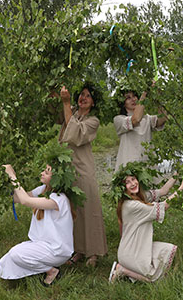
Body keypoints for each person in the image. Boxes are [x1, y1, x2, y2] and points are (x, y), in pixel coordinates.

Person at [108, 162, 183, 283]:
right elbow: (163, 206)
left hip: (136, 246)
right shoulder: (131, 205)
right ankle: (123, 269)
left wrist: (177, 174)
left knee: (167, 250)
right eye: (127, 182)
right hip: (130, 252)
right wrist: (182, 187)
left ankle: (128, 270)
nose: (132, 184)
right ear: (122, 188)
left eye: (133, 179)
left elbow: (163, 191)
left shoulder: (138, 196)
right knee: (154, 278)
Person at [0, 163, 75, 285]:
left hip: (57, 249)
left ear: (57, 179)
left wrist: (12, 176)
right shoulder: (43, 190)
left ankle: (51, 271)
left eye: (47, 172)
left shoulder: (59, 199)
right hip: (43, 245)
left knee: (15, 254)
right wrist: (4, 183)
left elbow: (25, 201)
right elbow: (18, 198)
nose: (42, 173)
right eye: (43, 170)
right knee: (6, 260)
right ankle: (42, 266)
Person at [58, 83, 107, 266]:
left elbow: (74, 135)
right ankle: (77, 250)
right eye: (81, 95)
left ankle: (93, 253)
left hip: (84, 169)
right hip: (68, 170)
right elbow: (63, 123)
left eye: (88, 96)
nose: (83, 98)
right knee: (73, 212)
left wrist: (66, 103)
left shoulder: (93, 121)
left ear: (93, 102)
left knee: (90, 210)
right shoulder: (72, 113)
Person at [113, 86, 167, 172]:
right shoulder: (119, 119)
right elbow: (136, 119)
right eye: (128, 98)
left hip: (147, 168)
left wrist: (158, 95)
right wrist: (145, 93)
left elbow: (163, 118)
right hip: (128, 169)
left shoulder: (147, 119)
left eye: (134, 96)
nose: (133, 99)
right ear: (123, 103)